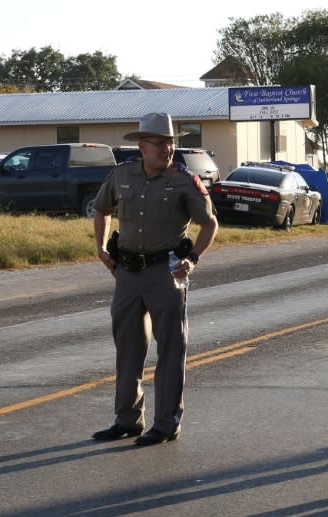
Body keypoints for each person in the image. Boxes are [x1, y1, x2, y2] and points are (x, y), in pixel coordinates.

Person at [92, 112, 218, 447]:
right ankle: (127, 419)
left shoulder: (183, 181)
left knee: (171, 349)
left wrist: (192, 259)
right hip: (127, 273)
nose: (168, 149)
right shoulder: (122, 175)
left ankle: (165, 424)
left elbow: (209, 224)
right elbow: (101, 209)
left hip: (167, 272)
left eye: (171, 143)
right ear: (142, 145)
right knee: (128, 349)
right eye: (160, 143)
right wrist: (101, 248)